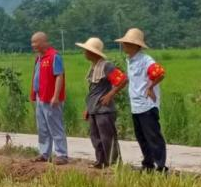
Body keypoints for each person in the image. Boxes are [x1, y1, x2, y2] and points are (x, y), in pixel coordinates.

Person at [112, 28, 167, 172]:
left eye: (126, 43)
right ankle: (148, 164)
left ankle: (161, 166)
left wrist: (150, 87)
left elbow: (160, 73)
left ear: (135, 45)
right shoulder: (130, 60)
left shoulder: (145, 60)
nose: (123, 46)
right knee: (141, 137)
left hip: (147, 105)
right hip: (136, 105)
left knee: (153, 137)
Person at [75, 37, 119, 168]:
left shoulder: (106, 66)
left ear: (93, 52)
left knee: (107, 138)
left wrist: (110, 95)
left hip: (104, 110)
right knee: (95, 137)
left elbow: (122, 80)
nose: (84, 53)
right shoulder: (93, 67)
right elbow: (93, 91)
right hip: (94, 109)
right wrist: (88, 108)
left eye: (86, 51)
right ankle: (101, 162)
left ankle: (114, 164)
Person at [30, 31, 67, 164]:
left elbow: (59, 76)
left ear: (43, 42)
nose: (33, 45)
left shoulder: (54, 56)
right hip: (40, 96)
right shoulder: (39, 58)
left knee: (55, 126)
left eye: (35, 42)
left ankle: (62, 154)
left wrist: (56, 96)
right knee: (42, 127)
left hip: (51, 98)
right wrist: (34, 94)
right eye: (32, 42)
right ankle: (44, 153)